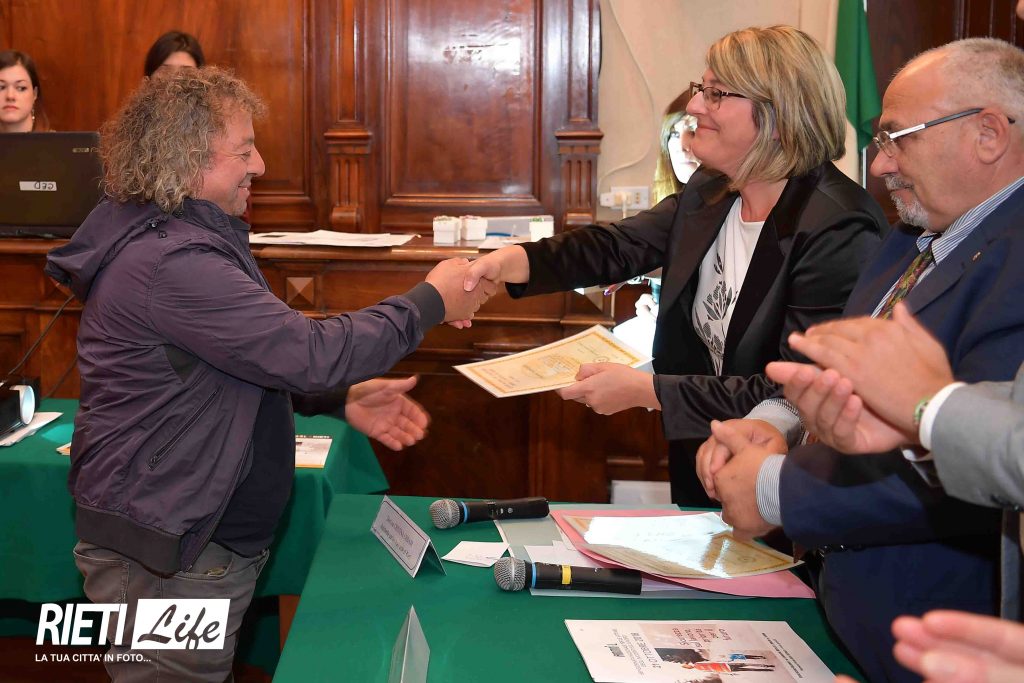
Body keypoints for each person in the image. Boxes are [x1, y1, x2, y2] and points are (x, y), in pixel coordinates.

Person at [44, 67, 492, 681]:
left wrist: (337, 399)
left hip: (190, 542)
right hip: (169, 555)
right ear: (188, 160)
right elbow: (307, 351)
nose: (259, 165)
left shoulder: (186, 240)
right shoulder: (171, 262)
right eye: (244, 150)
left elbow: (239, 364)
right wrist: (432, 299)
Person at [698, 37, 1024, 683]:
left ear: (988, 134)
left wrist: (776, 490)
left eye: (899, 138)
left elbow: (986, 462)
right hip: (847, 611)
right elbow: (851, 369)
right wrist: (782, 420)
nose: (881, 165)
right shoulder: (913, 233)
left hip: (938, 635)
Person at [464, 25, 886, 506]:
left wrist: (650, 392)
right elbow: (618, 246)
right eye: (700, 88)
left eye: (716, 94)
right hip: (701, 456)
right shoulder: (712, 187)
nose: (694, 106)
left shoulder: (837, 228)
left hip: (780, 481)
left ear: (778, 116)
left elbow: (794, 389)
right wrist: (513, 261)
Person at [652, 89, 699, 203]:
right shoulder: (667, 208)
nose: (681, 148)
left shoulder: (734, 207)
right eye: (674, 134)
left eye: (694, 132)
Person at [0, 49, 49, 132]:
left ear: (34, 94)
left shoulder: (56, 140)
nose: (10, 96)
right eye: (1, 87)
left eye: (21, 88)